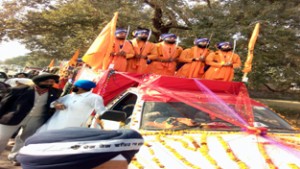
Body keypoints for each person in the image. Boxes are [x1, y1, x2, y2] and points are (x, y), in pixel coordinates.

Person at [0, 73, 61, 164]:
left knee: (25, 139)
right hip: (13, 117)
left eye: (51, 82)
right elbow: (5, 103)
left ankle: (15, 157)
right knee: (2, 137)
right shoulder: (19, 89)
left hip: (37, 118)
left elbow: (53, 102)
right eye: (46, 81)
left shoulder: (55, 92)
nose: (49, 83)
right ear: (38, 81)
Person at [37, 79, 106, 132]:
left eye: (75, 86)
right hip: (52, 125)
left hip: (71, 128)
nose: (73, 87)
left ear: (82, 88)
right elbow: (54, 102)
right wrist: (56, 104)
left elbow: (102, 112)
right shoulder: (69, 96)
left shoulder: (94, 98)